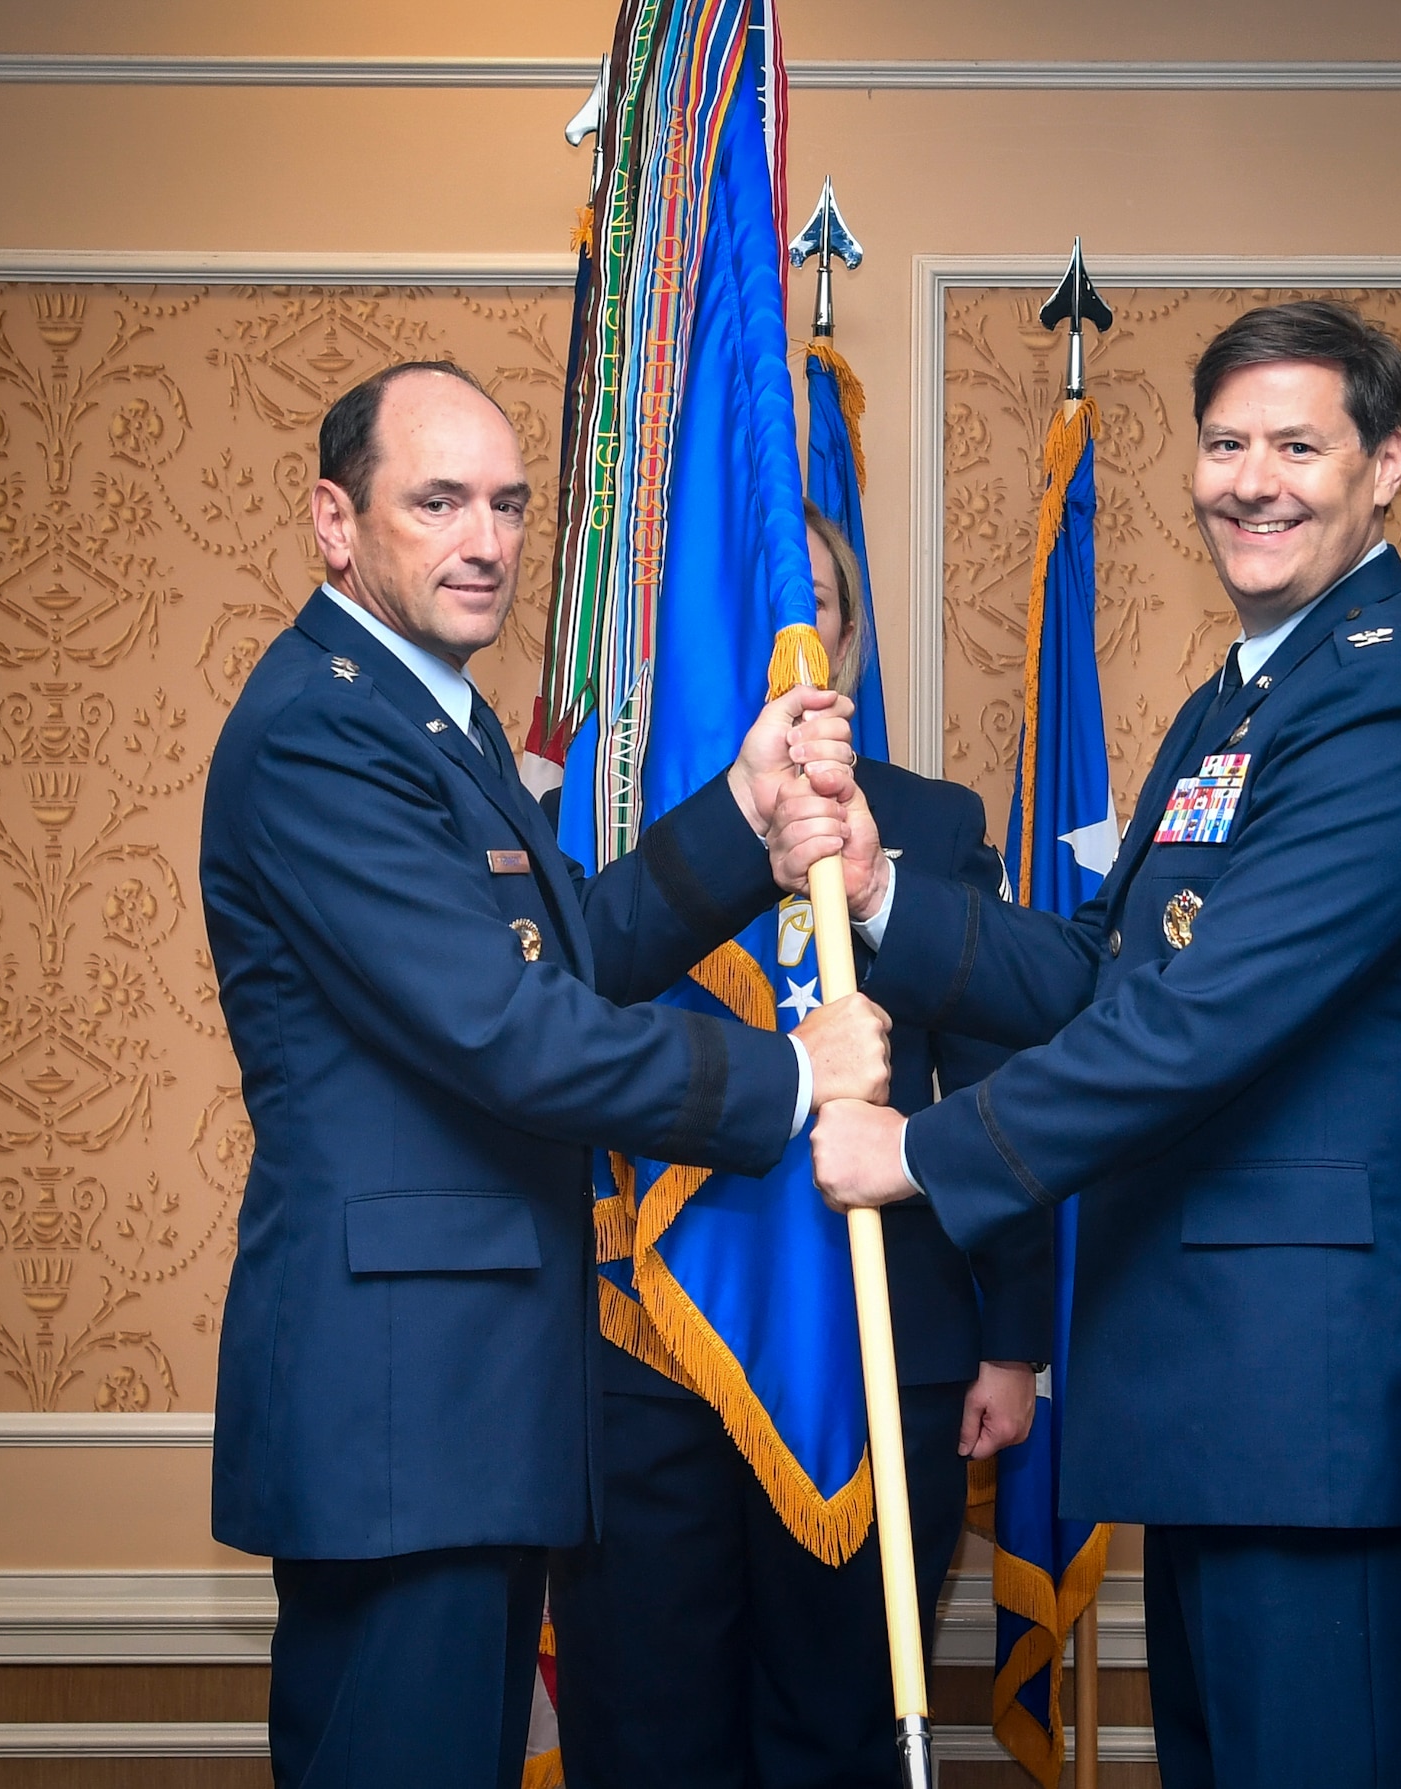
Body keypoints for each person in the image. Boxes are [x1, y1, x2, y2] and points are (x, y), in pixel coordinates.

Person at [811, 302, 1401, 1789]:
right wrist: (887, 894)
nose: (1252, 479)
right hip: (1230, 1396)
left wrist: (919, 1153)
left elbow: (1200, 1025)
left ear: (1385, 464)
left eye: (1298, 442)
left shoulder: (1391, 701)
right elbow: (1106, 969)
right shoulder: (1247, 695)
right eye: (1224, 443)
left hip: (1327, 1406)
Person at [199, 360, 892, 1789]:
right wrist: (791, 1079)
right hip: (406, 1411)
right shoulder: (326, 730)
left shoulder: (427, 718)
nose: (489, 540)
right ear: (338, 523)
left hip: (464, 1408)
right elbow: (506, 1032)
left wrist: (746, 818)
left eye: (510, 505)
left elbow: (566, 947)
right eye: (438, 501)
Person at [547, 502, 1050, 1789]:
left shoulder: (929, 820)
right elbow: (549, 1033)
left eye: (815, 609)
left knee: (838, 1724)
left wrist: (1010, 1339)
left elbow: (994, 1058)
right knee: (651, 1720)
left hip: (884, 1331)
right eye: (761, 616)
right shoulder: (613, 820)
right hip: (644, 1341)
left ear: (849, 635)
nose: (790, 641)